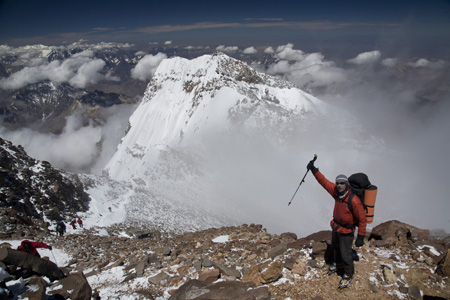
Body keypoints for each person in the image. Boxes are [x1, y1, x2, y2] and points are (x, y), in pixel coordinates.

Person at [307, 159, 366, 289]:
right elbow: (324, 182)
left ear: (347, 185)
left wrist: (361, 236)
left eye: (342, 183)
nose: (339, 185)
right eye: (337, 183)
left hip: (347, 231)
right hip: (336, 227)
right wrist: (314, 170)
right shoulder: (336, 192)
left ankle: (348, 274)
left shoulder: (354, 200)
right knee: (336, 248)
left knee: (346, 253)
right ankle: (337, 265)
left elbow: (362, 219)